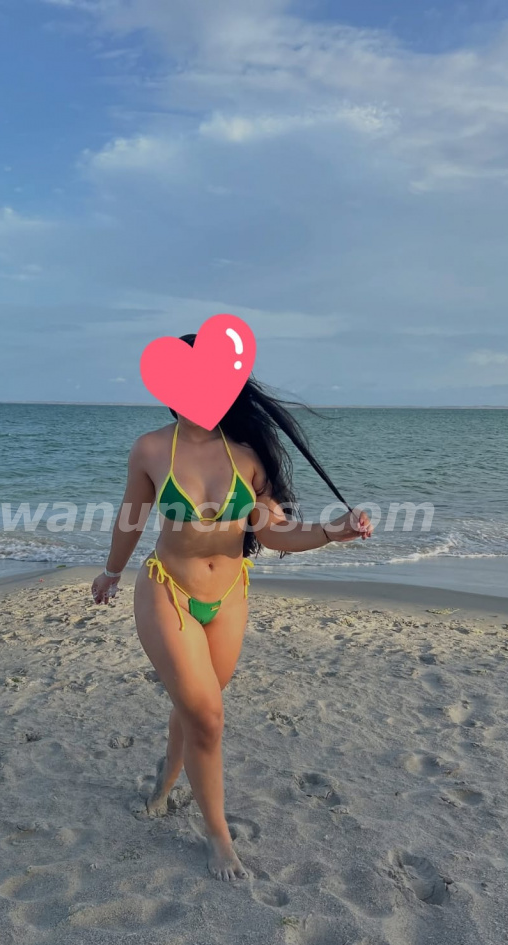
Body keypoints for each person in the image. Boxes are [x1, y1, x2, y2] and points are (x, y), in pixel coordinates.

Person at [91, 335, 373, 881]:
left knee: (197, 708)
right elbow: (131, 518)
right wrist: (111, 571)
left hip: (229, 595)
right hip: (167, 589)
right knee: (208, 716)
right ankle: (217, 838)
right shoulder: (151, 450)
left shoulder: (246, 456)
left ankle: (166, 779)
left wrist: (332, 531)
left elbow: (273, 532)